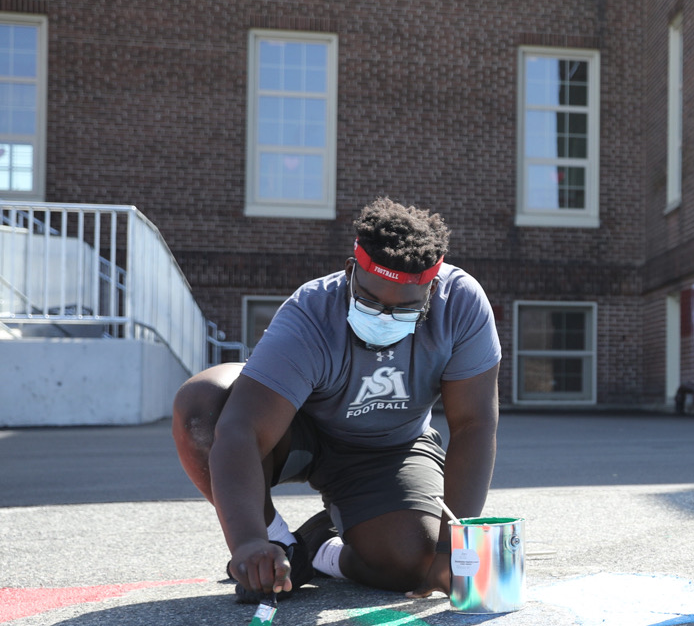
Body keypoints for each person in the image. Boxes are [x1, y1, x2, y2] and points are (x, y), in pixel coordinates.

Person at [171, 197, 502, 601]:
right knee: (204, 408)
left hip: (393, 448)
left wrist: (454, 547)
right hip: (300, 436)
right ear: (350, 272)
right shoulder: (311, 312)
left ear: (431, 289)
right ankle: (277, 544)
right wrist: (249, 541)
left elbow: (473, 425)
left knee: (417, 562)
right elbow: (243, 430)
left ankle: (315, 550)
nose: (383, 317)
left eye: (404, 310)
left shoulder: (461, 304)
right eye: (369, 302)